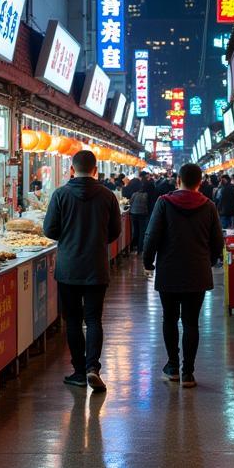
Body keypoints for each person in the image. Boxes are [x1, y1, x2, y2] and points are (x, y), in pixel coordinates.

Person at [43, 149, 122, 391]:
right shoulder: (108, 196)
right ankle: (92, 368)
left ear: (71, 169)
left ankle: (78, 371)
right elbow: (115, 231)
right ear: (96, 170)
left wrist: (68, 238)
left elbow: (49, 230)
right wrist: (96, 241)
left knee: (74, 320)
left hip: (68, 268)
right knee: (94, 319)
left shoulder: (60, 195)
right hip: (96, 266)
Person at [143, 163, 224, 388]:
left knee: (169, 319)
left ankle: (172, 367)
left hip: (169, 271)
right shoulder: (208, 206)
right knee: (191, 323)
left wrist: (148, 262)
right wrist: (207, 261)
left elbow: (152, 235)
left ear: (178, 180)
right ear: (200, 182)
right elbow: (218, 241)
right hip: (197, 271)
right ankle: (188, 372)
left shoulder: (164, 203)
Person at [128, 177, 150, 255]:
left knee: (135, 230)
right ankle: (140, 249)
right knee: (142, 231)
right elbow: (148, 204)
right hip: (143, 214)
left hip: (134, 214)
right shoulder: (146, 195)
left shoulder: (134, 194)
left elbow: (130, 202)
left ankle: (133, 247)